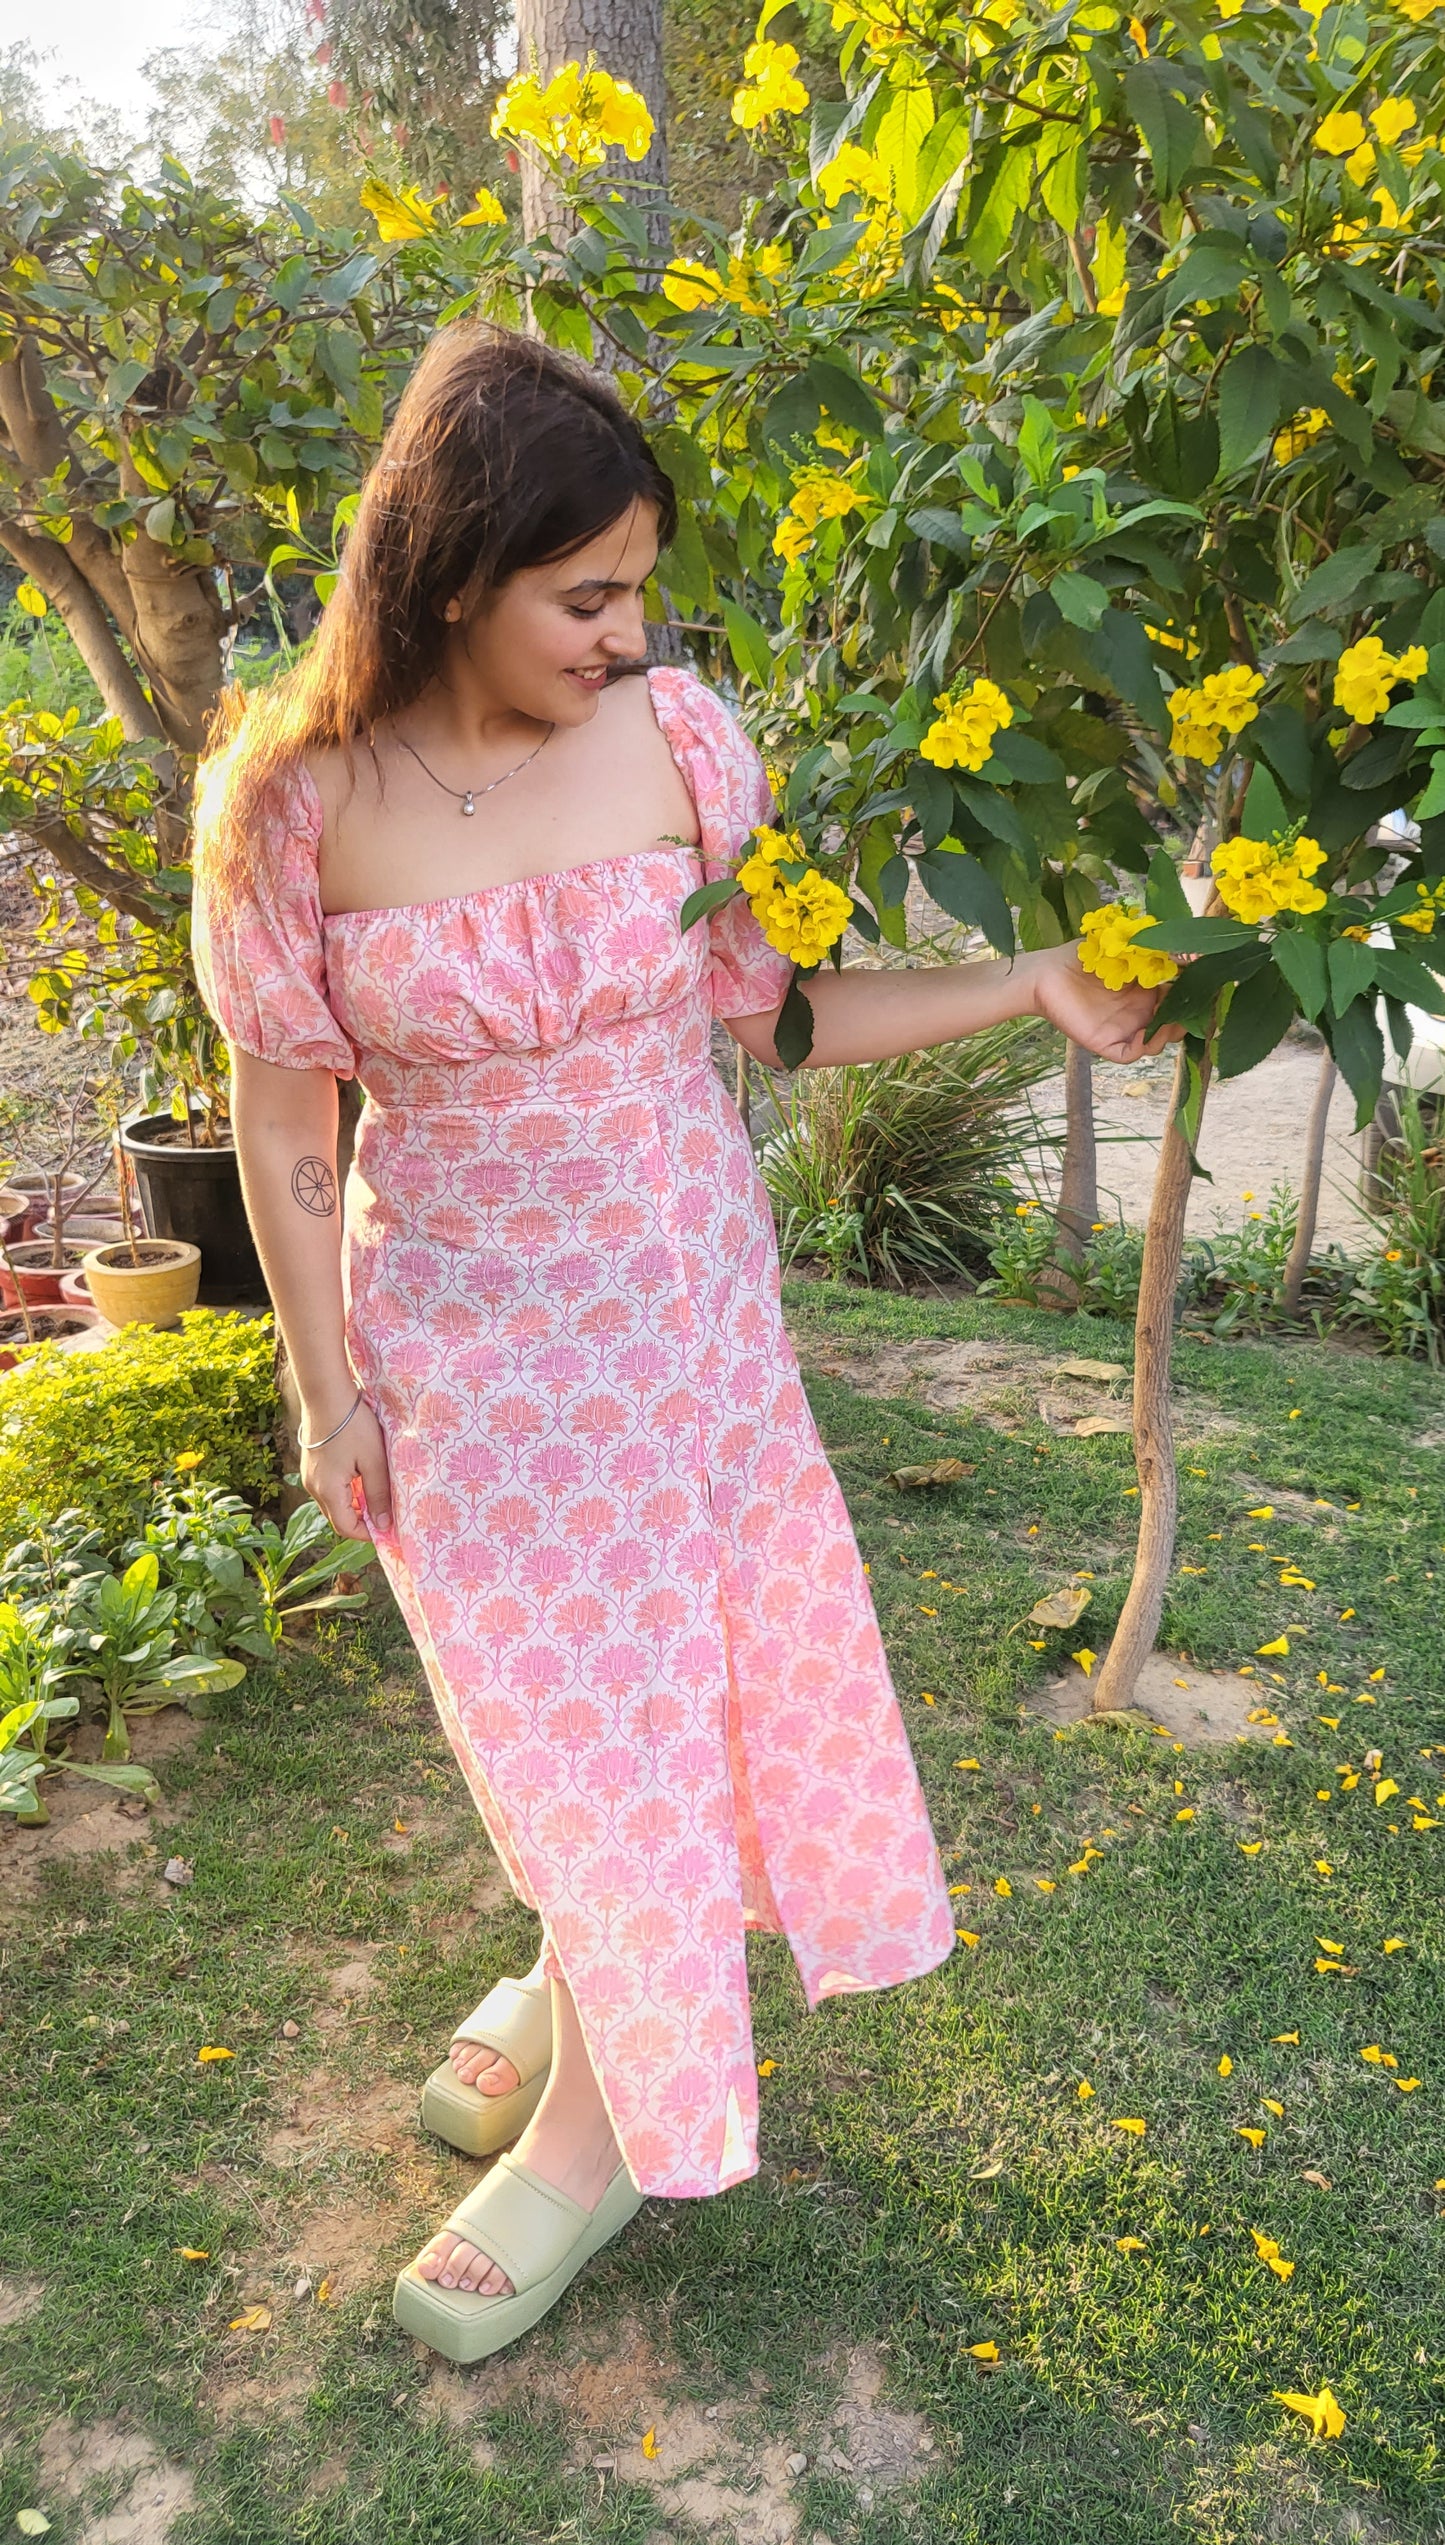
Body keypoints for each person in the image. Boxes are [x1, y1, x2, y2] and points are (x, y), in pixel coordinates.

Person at [192, 323, 1170, 2366]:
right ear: (450, 568)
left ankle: (594, 2121)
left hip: (684, 1336)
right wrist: (323, 1383)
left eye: (640, 587)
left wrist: (1022, 987)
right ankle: (587, 1967)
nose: (630, 637)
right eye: (586, 595)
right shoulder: (293, 804)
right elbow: (287, 1129)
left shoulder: (687, 745)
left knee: (643, 1709)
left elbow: (778, 1016)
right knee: (544, 1713)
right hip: (462, 1347)